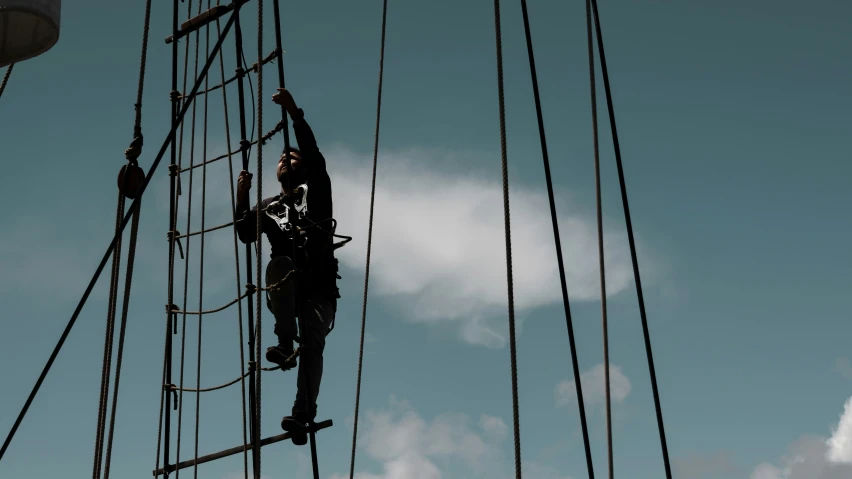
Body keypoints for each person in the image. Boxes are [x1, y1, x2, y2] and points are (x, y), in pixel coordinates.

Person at [235, 88, 340, 445]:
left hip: (319, 290)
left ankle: (302, 413)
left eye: (290, 156)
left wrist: (295, 113)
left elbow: (312, 153)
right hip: (286, 289)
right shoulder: (267, 206)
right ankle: (282, 343)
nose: (284, 159)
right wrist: (242, 196)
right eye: (281, 159)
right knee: (279, 263)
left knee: (313, 341)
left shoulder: (318, 189)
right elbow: (245, 233)